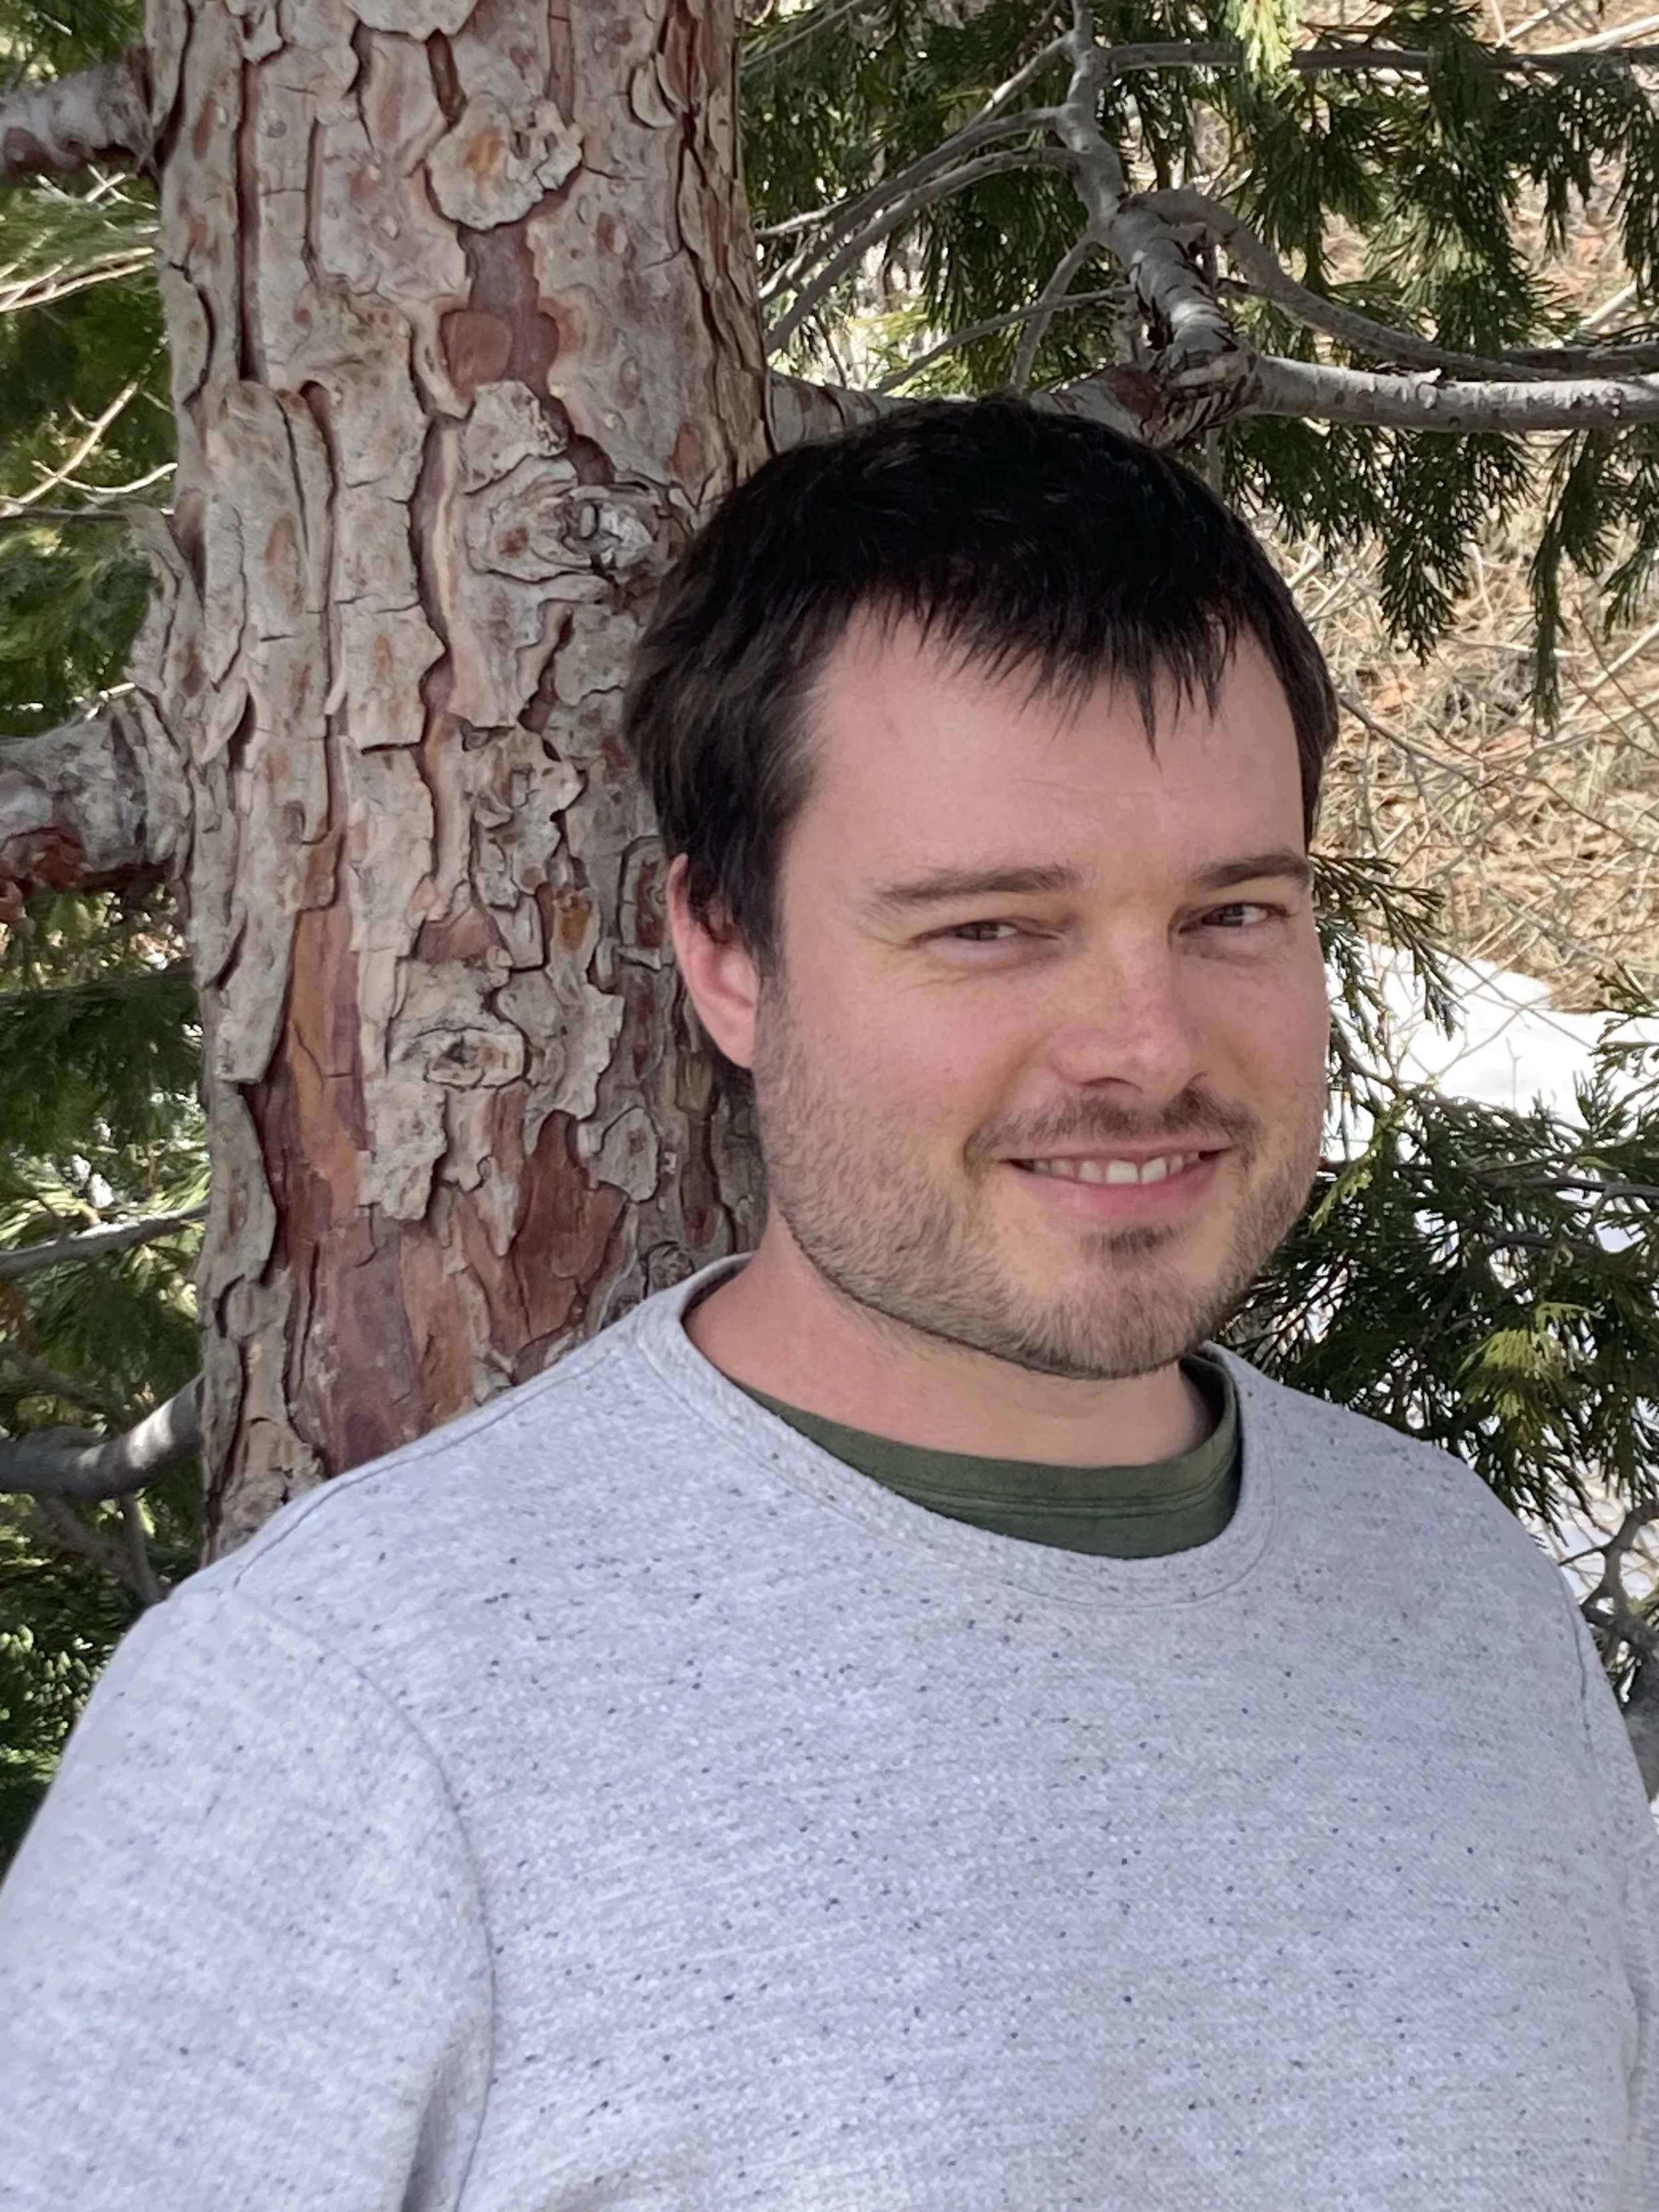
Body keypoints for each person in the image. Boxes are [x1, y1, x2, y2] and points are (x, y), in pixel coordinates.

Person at [1, 399, 1654, 2211]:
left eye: (1231, 913)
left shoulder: (1462, 1603)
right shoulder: (342, 1720)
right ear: (724, 948)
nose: (1147, 1044)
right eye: (989, 927)